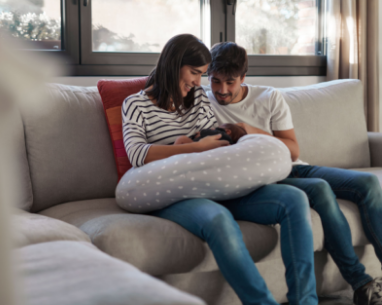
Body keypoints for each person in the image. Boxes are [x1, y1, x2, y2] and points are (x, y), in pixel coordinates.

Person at [122, 33, 318, 305]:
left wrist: (197, 142)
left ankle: (305, 302)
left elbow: (212, 139)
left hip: (215, 182)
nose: (197, 82)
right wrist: (191, 147)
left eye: (202, 75)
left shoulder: (198, 97)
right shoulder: (135, 104)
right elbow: (138, 154)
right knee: (217, 219)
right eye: (194, 73)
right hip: (173, 191)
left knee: (295, 199)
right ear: (173, 64)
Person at [206, 41, 382, 305]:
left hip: (293, 166)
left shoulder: (268, 97)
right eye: (215, 81)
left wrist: (248, 130)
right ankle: (361, 282)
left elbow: (292, 150)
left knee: (368, 182)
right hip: (263, 176)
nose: (222, 90)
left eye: (230, 82)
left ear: (243, 77)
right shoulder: (200, 103)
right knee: (320, 189)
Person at [173, 123, 247, 145]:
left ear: (227, 131)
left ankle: (170, 158)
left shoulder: (222, 135)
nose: (213, 128)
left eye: (218, 127)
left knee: (181, 139)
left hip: (197, 147)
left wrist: (202, 132)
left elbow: (211, 132)